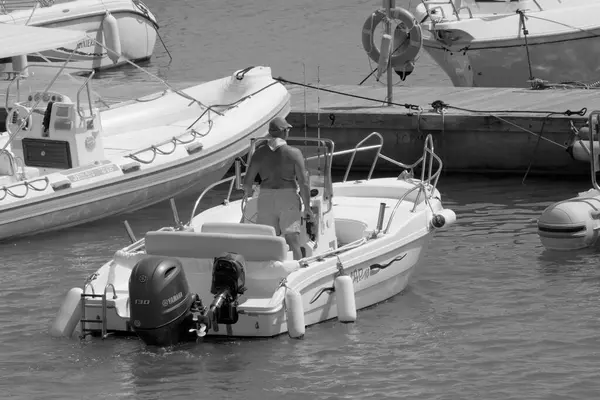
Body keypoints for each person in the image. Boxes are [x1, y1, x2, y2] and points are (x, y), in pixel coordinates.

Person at [243, 116, 313, 260]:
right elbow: (304, 183)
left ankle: (270, 271)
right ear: (284, 132)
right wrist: (307, 207)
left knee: (268, 240)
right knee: (293, 241)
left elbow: (247, 182)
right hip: (287, 197)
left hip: (265, 197)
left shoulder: (259, 153)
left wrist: (248, 193)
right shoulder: (294, 153)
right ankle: (297, 270)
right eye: (287, 129)